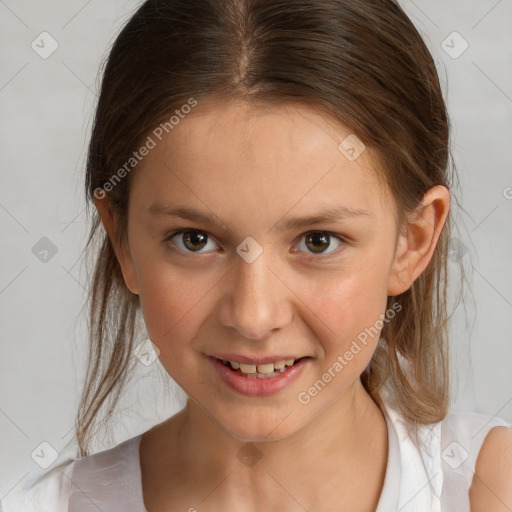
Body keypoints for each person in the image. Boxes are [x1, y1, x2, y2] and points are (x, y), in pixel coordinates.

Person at [2, 0, 511, 511]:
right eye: (194, 240)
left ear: (413, 241)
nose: (253, 316)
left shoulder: (486, 489)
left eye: (317, 241)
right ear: (123, 241)